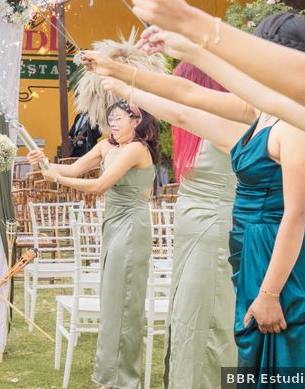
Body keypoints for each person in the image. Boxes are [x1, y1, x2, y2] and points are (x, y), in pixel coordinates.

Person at [84, 57, 239, 388]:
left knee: (208, 321)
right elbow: (178, 102)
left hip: (212, 232)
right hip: (191, 231)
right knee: (185, 318)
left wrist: (128, 86)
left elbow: (179, 106)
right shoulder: (197, 127)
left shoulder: (224, 124)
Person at [29, 100, 159, 389]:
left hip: (131, 227)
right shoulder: (105, 146)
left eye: (119, 118)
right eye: (110, 118)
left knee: (125, 303)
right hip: (112, 225)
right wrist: (43, 164)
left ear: (136, 120)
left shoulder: (136, 149)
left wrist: (57, 179)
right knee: (113, 302)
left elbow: (101, 185)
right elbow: (73, 169)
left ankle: (122, 380)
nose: (112, 123)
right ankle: (110, 377)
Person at [130, 0, 305, 118]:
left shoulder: (298, 128)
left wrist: (189, 21)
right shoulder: (270, 108)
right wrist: (190, 50)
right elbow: (188, 94)